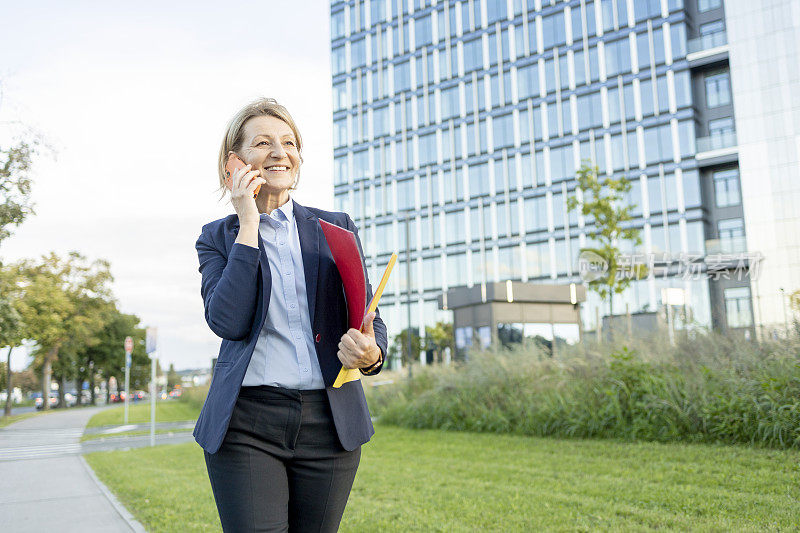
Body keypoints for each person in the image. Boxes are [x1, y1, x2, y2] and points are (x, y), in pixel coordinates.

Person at [193, 97, 388, 532]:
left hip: (329, 421)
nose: (280, 152)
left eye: (289, 142)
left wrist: (370, 353)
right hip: (247, 423)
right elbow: (228, 321)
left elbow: (370, 317)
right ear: (235, 163)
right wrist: (248, 225)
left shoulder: (335, 228)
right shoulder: (217, 238)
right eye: (263, 142)